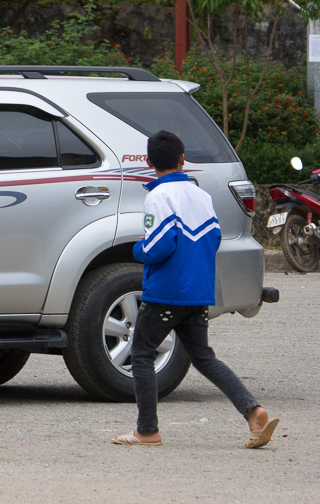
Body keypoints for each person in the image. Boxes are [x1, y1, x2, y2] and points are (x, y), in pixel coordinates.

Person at [114, 130, 278, 448]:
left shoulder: (158, 197)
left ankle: (147, 430)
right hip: (199, 290)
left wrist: (138, 250)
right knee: (204, 357)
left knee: (142, 353)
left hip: (166, 291)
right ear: (182, 159)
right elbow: (214, 238)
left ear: (149, 162)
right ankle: (253, 411)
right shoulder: (202, 196)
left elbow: (160, 246)